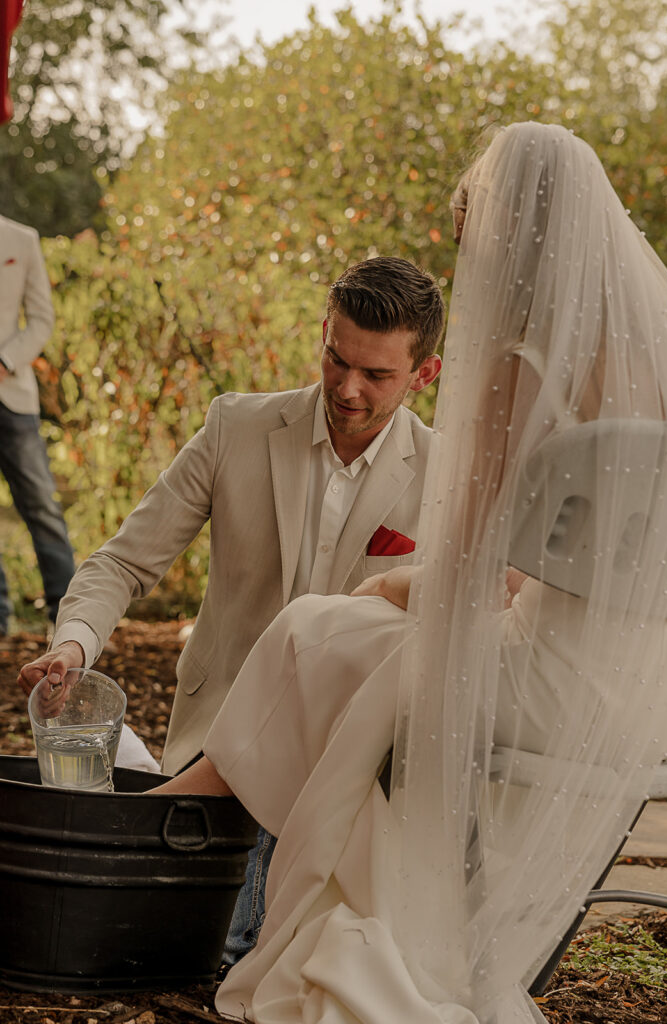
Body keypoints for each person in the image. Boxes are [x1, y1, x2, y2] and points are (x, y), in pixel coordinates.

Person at [150, 122, 667, 1024]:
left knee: (322, 627)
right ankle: (191, 817)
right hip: (654, 694)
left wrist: (392, 583)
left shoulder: (525, 365)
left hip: (544, 680)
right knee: (343, 643)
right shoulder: (665, 362)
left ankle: (171, 829)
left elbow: (468, 571)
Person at [18, 254, 444, 962]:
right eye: (337, 359)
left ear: (424, 374)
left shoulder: (445, 474)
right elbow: (122, 562)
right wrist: (74, 647)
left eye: (376, 375)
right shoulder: (235, 427)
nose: (346, 387)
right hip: (220, 751)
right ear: (324, 333)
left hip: (347, 777)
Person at [0, 213, 76, 638]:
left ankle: (66, 618)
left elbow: (42, 320)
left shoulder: (21, 240)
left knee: (42, 506)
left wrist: (5, 361)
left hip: (12, 396)